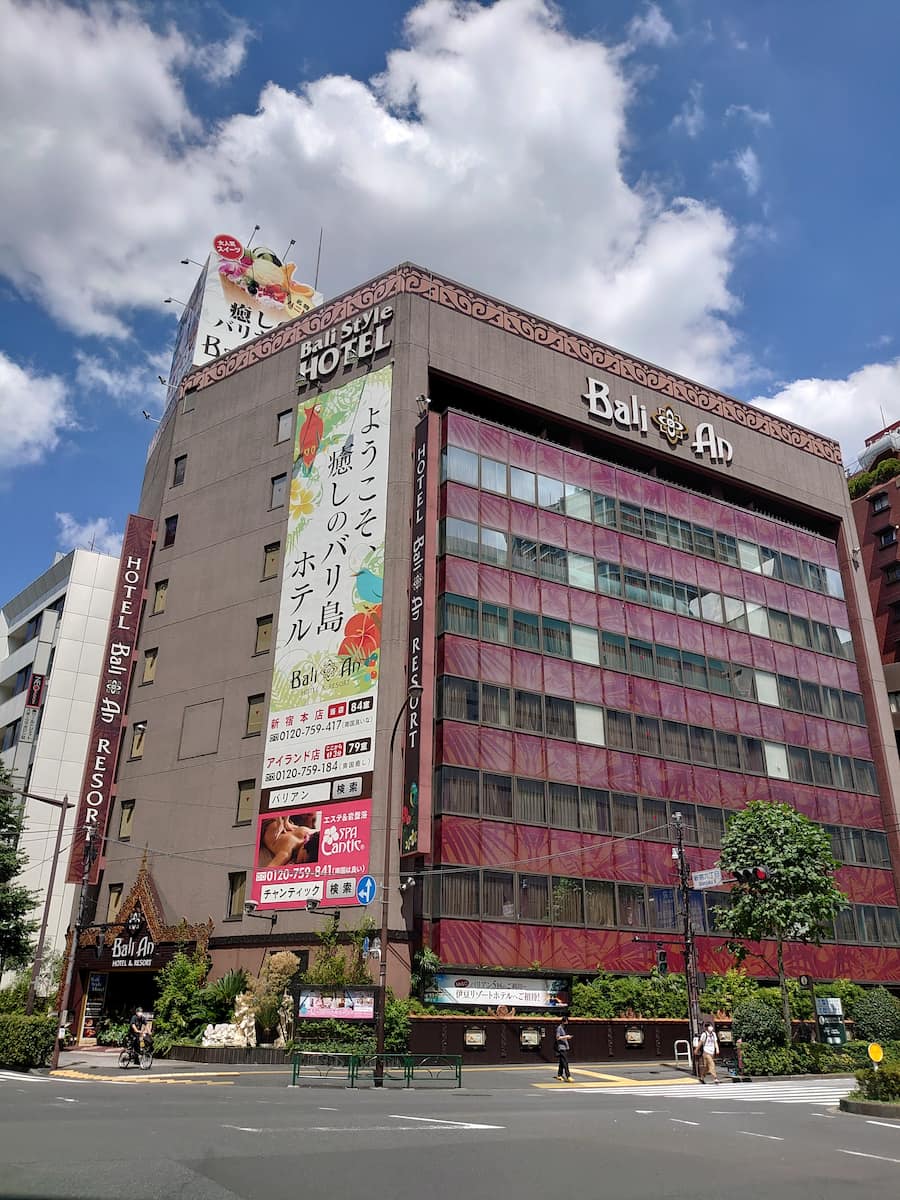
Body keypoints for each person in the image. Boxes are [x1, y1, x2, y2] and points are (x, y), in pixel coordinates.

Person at [555, 1017, 573, 1081]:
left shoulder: (563, 1028)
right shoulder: (559, 1028)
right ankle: (568, 1076)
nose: (567, 1023)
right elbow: (557, 1037)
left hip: (564, 1047)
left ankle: (559, 1075)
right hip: (561, 1047)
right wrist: (566, 1036)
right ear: (563, 1022)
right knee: (565, 1062)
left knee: (561, 1062)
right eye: (566, 1022)